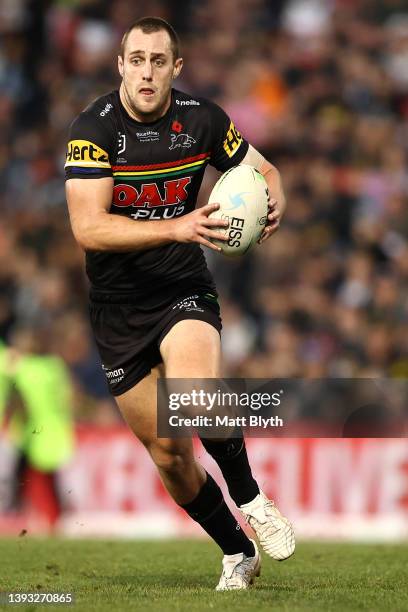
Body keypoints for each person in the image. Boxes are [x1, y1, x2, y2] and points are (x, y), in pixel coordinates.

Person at [65, 16, 294, 590]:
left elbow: (259, 167)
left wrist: (277, 191)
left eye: (158, 61)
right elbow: (89, 229)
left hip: (181, 287)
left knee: (193, 399)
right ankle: (238, 551)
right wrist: (176, 225)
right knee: (169, 455)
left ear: (176, 67)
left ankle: (255, 500)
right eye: (136, 60)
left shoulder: (201, 119)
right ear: (120, 65)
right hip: (118, 307)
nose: (147, 72)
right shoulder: (92, 130)